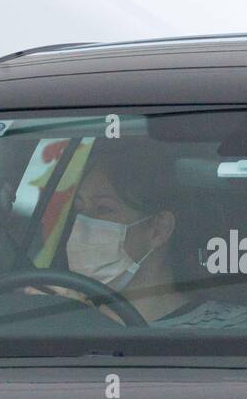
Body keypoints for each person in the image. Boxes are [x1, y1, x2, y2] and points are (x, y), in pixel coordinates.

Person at [65, 139, 247, 326]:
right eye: (78, 209)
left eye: (104, 209)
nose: (82, 223)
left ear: (158, 229)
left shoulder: (231, 327)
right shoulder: (61, 324)